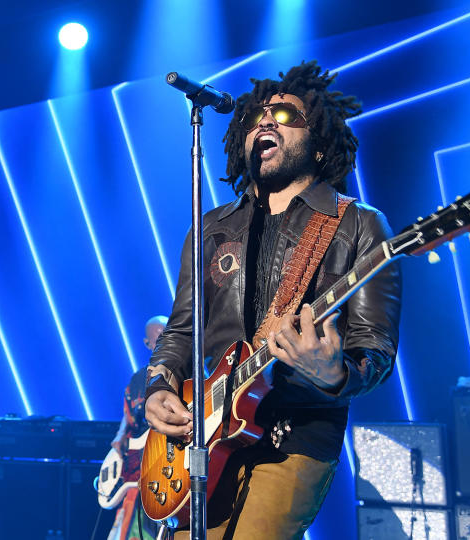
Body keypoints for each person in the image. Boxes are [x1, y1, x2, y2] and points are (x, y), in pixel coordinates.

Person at [144, 61, 401, 539]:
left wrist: (335, 373)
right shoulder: (210, 229)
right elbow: (181, 330)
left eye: (285, 115)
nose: (265, 121)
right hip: (203, 431)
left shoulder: (359, 225)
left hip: (296, 434)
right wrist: (158, 387)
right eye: (257, 116)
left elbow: (376, 347)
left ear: (320, 144)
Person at [108, 316, 167, 540]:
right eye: (159, 336)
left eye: (169, 334)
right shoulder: (137, 380)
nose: (165, 340)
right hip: (137, 473)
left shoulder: (188, 371)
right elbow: (129, 417)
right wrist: (119, 437)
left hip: (169, 469)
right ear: (147, 343)